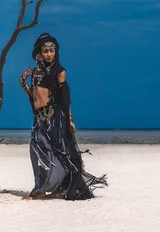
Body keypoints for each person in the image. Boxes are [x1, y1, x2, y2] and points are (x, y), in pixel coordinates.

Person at [18, 32, 107, 200]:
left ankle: (52, 188)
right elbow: (32, 95)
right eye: (46, 51)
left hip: (54, 118)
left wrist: (70, 120)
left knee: (59, 153)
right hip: (38, 119)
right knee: (37, 152)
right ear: (39, 52)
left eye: (52, 51)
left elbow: (65, 98)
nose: (49, 54)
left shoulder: (59, 71)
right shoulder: (36, 71)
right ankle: (42, 188)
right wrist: (22, 80)